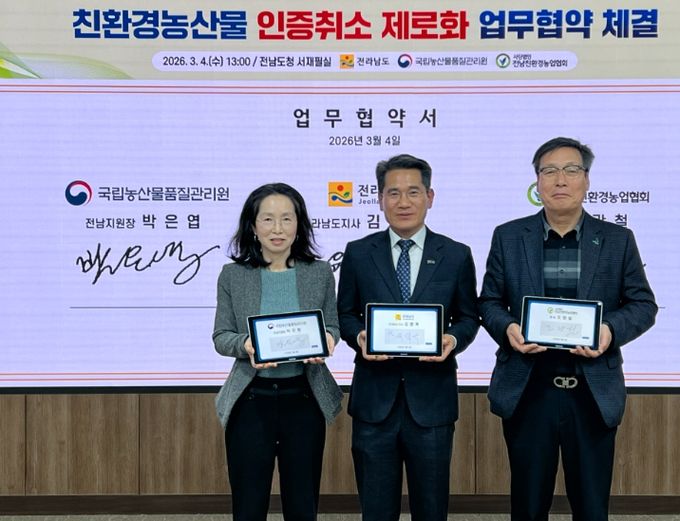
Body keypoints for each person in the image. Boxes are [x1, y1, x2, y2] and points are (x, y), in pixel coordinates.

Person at [479, 137, 657, 521]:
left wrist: (609, 330)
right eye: (550, 171)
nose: (560, 180)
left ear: (586, 180)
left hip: (592, 392)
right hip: (529, 389)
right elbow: (489, 302)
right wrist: (508, 328)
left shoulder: (617, 240)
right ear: (537, 182)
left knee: (591, 508)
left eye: (571, 170)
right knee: (528, 506)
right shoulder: (508, 237)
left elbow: (643, 305)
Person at [337, 154, 480, 521]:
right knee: (376, 510)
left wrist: (452, 340)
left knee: (431, 509)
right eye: (394, 193)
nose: (403, 202)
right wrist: (360, 337)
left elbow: (468, 317)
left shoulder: (456, 255)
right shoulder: (358, 253)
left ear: (430, 197)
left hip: (431, 403)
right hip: (374, 402)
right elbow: (345, 314)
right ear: (380, 199)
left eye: (413, 192)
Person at [212, 182, 343, 521]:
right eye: (267, 219)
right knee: (248, 505)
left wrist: (328, 339)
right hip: (251, 400)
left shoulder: (319, 273)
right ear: (253, 226)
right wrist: (246, 345)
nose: (278, 229)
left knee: (302, 505)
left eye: (287, 218)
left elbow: (332, 324)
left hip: (304, 398)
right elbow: (221, 336)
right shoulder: (233, 275)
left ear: (299, 224)